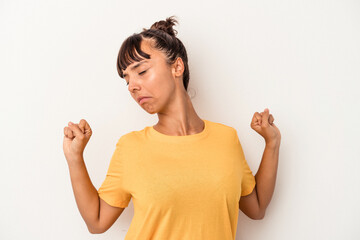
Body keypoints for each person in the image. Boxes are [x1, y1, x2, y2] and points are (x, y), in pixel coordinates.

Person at [63, 16, 281, 240]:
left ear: (177, 67)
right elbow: (97, 221)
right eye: (126, 79)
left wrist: (272, 144)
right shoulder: (131, 147)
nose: (132, 86)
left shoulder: (227, 139)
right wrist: (74, 157)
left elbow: (256, 207)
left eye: (142, 71)